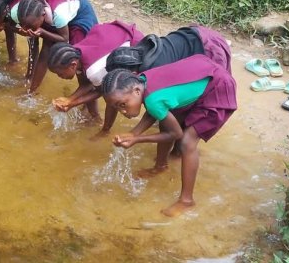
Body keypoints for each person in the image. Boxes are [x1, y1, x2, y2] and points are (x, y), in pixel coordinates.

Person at [101, 55, 237, 217]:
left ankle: (187, 200)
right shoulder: (142, 80)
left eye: (122, 104)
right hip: (204, 71)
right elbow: (155, 110)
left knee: (187, 142)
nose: (122, 111)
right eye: (117, 108)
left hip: (218, 88)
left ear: (136, 91)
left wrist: (137, 139)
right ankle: (160, 166)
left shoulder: (152, 99)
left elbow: (175, 133)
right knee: (165, 120)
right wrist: (132, 133)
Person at [46, 21, 144, 137]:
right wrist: (70, 99)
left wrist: (73, 103)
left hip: (136, 49)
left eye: (60, 74)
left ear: (72, 65)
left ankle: (106, 130)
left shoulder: (94, 70)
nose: (60, 77)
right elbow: (87, 84)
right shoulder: (76, 51)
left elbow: (101, 92)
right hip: (119, 36)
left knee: (115, 96)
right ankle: (97, 120)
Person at [15, 0, 99, 93]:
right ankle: (32, 91)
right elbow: (44, 55)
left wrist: (42, 32)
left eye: (29, 26)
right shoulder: (33, 13)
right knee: (46, 50)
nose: (25, 29)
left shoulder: (58, 14)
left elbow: (64, 38)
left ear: (43, 14)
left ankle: (87, 97)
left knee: (78, 60)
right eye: (23, 25)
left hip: (79, 20)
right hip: (59, 21)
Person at [106, 25, 232, 74]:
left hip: (209, 50)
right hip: (198, 33)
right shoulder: (142, 49)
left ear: (133, 74)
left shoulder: (154, 71)